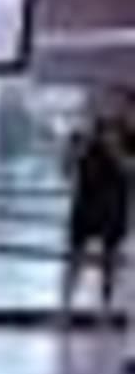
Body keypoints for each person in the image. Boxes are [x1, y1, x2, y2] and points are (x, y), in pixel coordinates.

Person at [63, 98, 131, 331]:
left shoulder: (128, 136)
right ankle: (66, 309)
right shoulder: (81, 136)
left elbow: (129, 170)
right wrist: (74, 153)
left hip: (113, 207)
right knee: (75, 257)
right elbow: (66, 170)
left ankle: (105, 310)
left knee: (109, 261)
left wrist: (115, 150)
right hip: (85, 204)